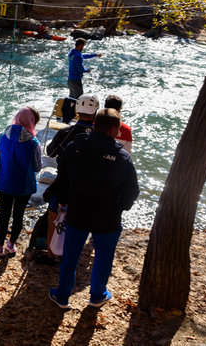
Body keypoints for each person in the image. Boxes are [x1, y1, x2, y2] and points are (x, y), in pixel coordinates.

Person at [49, 109, 139, 309]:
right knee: (103, 258)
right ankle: (97, 295)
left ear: (95, 125)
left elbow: (62, 179)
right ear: (114, 130)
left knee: (70, 256)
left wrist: (63, 201)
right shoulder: (121, 157)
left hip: (77, 211)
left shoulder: (74, 147)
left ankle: (62, 296)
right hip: (108, 216)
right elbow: (132, 189)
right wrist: (122, 207)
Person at [43, 94, 99, 263]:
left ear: (76, 111)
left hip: (64, 184)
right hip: (89, 188)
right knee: (80, 222)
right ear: (95, 112)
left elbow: (50, 152)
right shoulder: (99, 136)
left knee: (54, 217)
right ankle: (72, 255)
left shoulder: (66, 133)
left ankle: (52, 254)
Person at [0, 107, 42, 257]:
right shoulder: (34, 142)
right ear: (32, 122)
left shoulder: (3, 135)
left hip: (5, 181)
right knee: (18, 214)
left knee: (4, 214)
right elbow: (38, 167)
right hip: (24, 185)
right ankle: (11, 245)